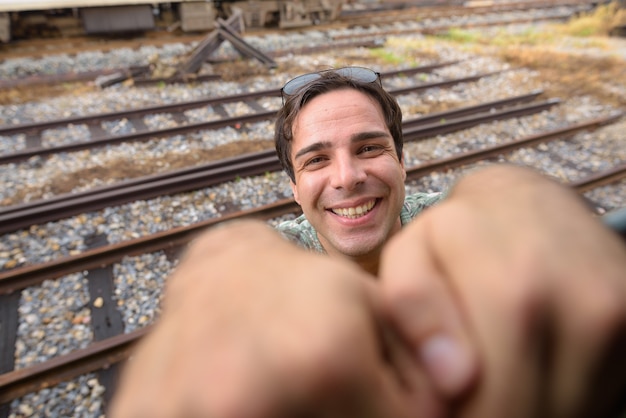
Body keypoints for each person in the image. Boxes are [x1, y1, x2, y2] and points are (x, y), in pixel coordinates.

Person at [109, 67, 626, 417]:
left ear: (402, 163)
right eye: (316, 160)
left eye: (369, 147)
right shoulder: (281, 255)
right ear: (294, 190)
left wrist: (516, 189)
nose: (348, 176)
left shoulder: (446, 219)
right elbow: (246, 265)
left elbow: (485, 216)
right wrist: (222, 265)